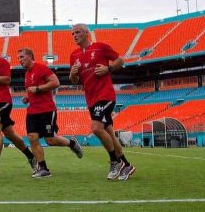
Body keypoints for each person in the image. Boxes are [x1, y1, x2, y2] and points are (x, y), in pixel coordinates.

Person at [69, 23, 136, 180]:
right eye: (72, 34)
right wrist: (73, 74)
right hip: (91, 99)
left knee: (96, 128)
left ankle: (115, 161)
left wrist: (108, 69)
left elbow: (120, 60)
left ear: (86, 33)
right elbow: (75, 81)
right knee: (110, 134)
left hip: (105, 95)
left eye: (77, 32)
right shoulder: (74, 55)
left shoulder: (100, 47)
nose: (74, 36)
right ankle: (127, 165)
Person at [18, 48, 84, 178]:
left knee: (50, 140)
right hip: (32, 111)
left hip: (46, 110)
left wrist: (37, 89)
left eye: (22, 57)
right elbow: (31, 91)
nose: (20, 60)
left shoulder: (41, 68)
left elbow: (56, 82)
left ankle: (72, 143)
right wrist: (27, 97)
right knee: (32, 138)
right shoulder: (27, 73)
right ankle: (43, 169)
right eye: (19, 58)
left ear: (31, 57)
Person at [0, 39, 37, 176]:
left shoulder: (2, 62)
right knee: (11, 134)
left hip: (3, 101)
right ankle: (32, 158)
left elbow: (7, 80)